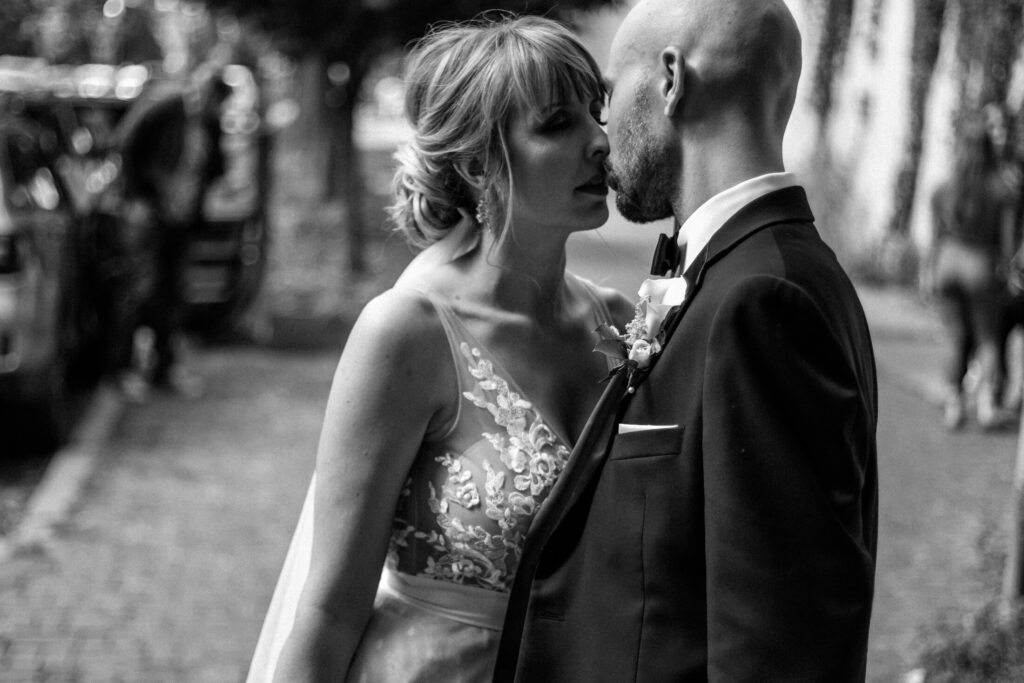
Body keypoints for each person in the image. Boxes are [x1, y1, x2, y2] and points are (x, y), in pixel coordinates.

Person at [495, 0, 879, 681]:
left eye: (609, 95)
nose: (602, 127)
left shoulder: (761, 301)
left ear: (672, 79)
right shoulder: (740, 272)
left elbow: (774, 652)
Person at [246, 15, 631, 682]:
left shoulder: (622, 329)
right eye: (558, 123)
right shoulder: (408, 336)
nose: (600, 141)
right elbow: (331, 608)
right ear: (481, 162)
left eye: (596, 113)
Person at [115, 65, 230, 398]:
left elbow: (214, 166)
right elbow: (126, 143)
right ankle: (123, 368)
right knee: (141, 291)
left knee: (172, 293)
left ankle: (162, 368)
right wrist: (140, 195)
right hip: (150, 212)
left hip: (181, 215)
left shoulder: (210, 122)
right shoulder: (167, 105)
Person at [924, 111, 1018, 430]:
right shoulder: (1000, 190)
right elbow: (1006, 245)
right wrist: (1005, 272)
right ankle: (986, 405)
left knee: (953, 337)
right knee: (988, 338)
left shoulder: (945, 188)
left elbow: (935, 237)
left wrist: (929, 272)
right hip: (980, 264)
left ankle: (953, 405)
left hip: (947, 262)